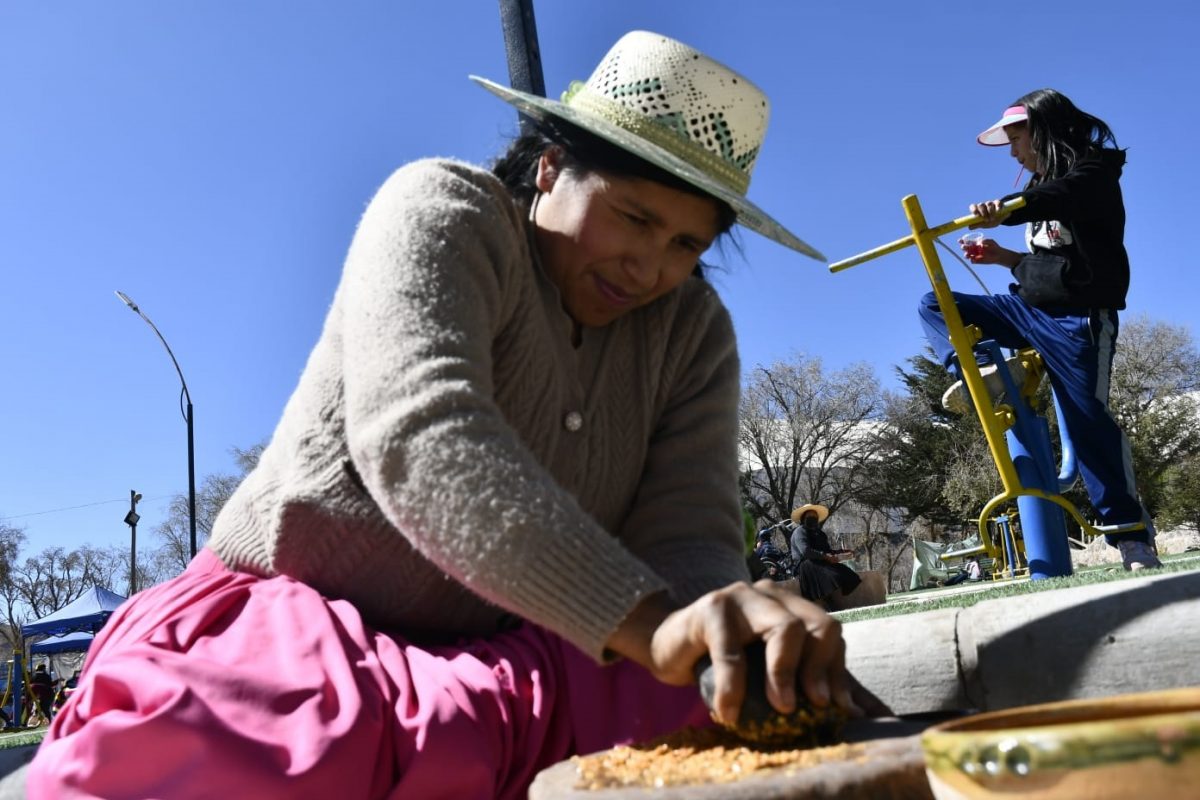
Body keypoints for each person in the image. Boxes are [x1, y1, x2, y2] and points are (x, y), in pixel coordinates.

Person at [30, 31, 877, 799]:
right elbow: (424, 439)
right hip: (292, 622)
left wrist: (726, 628)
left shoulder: (692, 332)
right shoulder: (447, 210)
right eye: (634, 217)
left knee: (761, 711)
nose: (651, 266)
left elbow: (684, 539)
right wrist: (655, 627)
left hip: (518, 647)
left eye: (687, 244)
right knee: (294, 750)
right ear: (550, 167)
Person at [917, 88, 1160, 573]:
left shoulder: (1092, 174)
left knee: (1088, 422)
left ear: (1043, 131)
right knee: (935, 303)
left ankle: (1133, 539)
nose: (1012, 151)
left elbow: (1059, 200)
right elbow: (1047, 264)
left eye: (1016, 137)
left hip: (1079, 319)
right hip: (1030, 310)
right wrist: (1004, 257)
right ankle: (978, 370)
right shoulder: (1041, 187)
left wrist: (1007, 207)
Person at [788, 504, 861, 607]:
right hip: (805, 565)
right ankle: (828, 600)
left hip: (821, 561)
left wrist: (841, 552)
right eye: (810, 516)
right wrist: (826, 556)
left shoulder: (820, 534)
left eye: (815, 517)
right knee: (831, 575)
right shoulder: (800, 532)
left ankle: (836, 598)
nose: (813, 519)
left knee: (850, 575)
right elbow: (805, 552)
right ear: (803, 518)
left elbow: (827, 551)